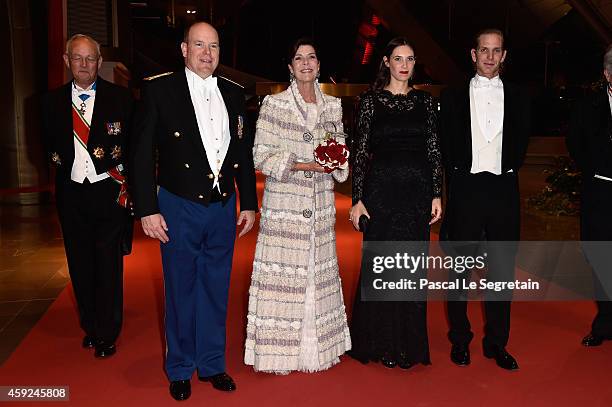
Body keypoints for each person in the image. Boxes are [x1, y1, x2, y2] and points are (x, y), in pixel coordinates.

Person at [130, 22, 257, 400]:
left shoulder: (235, 94)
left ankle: (213, 363)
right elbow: (140, 156)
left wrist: (248, 201)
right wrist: (147, 209)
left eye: (214, 46)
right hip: (178, 204)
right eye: (199, 45)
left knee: (217, 287)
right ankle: (181, 367)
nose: (207, 53)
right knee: (181, 287)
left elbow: (242, 153)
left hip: (222, 206)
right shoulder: (159, 89)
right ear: (183, 48)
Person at [244, 38, 351, 373]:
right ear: (290, 67)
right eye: (299, 58)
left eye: (312, 57)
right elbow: (259, 154)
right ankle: (278, 356)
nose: (306, 63)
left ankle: (318, 350)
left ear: (319, 65)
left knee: (317, 279)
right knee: (284, 282)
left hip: (320, 209)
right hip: (285, 209)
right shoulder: (274, 105)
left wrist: (337, 162)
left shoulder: (333, 107)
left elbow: (342, 156)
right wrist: (304, 165)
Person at [348, 37, 442, 369]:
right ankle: (380, 342)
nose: (404, 64)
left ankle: (408, 346)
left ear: (415, 64)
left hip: (416, 194)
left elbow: (433, 149)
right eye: (398, 58)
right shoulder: (370, 101)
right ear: (386, 61)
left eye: (410, 58)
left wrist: (436, 193)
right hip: (381, 193)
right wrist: (357, 199)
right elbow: (361, 151)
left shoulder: (427, 103)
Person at [439, 29, 530, 370]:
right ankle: (460, 340)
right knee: (459, 272)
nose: (490, 56)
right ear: (473, 54)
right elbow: (446, 146)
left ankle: (497, 343)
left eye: (496, 51)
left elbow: (522, 141)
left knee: (502, 272)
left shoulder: (520, 96)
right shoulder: (452, 97)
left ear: (504, 55)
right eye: (484, 50)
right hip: (467, 190)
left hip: (504, 191)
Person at [41, 34, 133, 359]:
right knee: (79, 265)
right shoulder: (50, 102)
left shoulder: (121, 98)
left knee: (107, 266)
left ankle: (108, 333)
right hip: (71, 195)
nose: (84, 64)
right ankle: (91, 327)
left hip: (108, 192)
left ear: (99, 61)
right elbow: (45, 147)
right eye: (77, 58)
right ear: (66, 61)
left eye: (90, 58)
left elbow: (134, 149)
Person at [567, 44, 612, 347]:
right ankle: (605, 324)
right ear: (608, 74)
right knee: (602, 260)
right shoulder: (587, 106)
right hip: (601, 192)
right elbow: (575, 143)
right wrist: (596, 169)